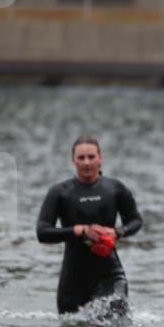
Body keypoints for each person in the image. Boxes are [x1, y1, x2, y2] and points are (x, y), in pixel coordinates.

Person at [36, 136, 143, 317]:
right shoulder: (60, 193)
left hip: (110, 275)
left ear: (100, 158)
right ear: (73, 160)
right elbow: (42, 232)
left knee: (114, 321)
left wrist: (117, 232)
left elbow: (136, 221)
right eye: (81, 158)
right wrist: (79, 230)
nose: (86, 163)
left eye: (91, 157)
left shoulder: (115, 189)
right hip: (73, 279)